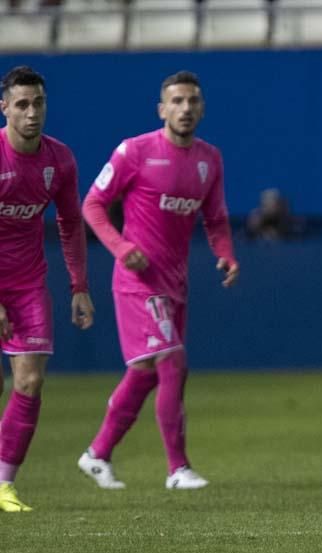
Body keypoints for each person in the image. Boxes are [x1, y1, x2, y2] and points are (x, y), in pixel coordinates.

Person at [77, 71, 239, 491]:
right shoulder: (135, 151)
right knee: (173, 362)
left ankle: (97, 454)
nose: (185, 108)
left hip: (176, 282)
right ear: (162, 109)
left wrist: (225, 256)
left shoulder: (210, 159)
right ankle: (177, 468)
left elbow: (216, 219)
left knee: (147, 371)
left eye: (192, 101)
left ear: (201, 108)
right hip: (137, 281)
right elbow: (92, 205)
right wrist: (119, 246)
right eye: (177, 101)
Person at [0, 66, 94, 512]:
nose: (32, 113)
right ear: (4, 108)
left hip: (28, 283)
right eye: (21, 104)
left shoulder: (60, 161)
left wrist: (79, 285)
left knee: (31, 381)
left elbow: (71, 223)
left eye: (38, 103)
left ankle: (3, 485)